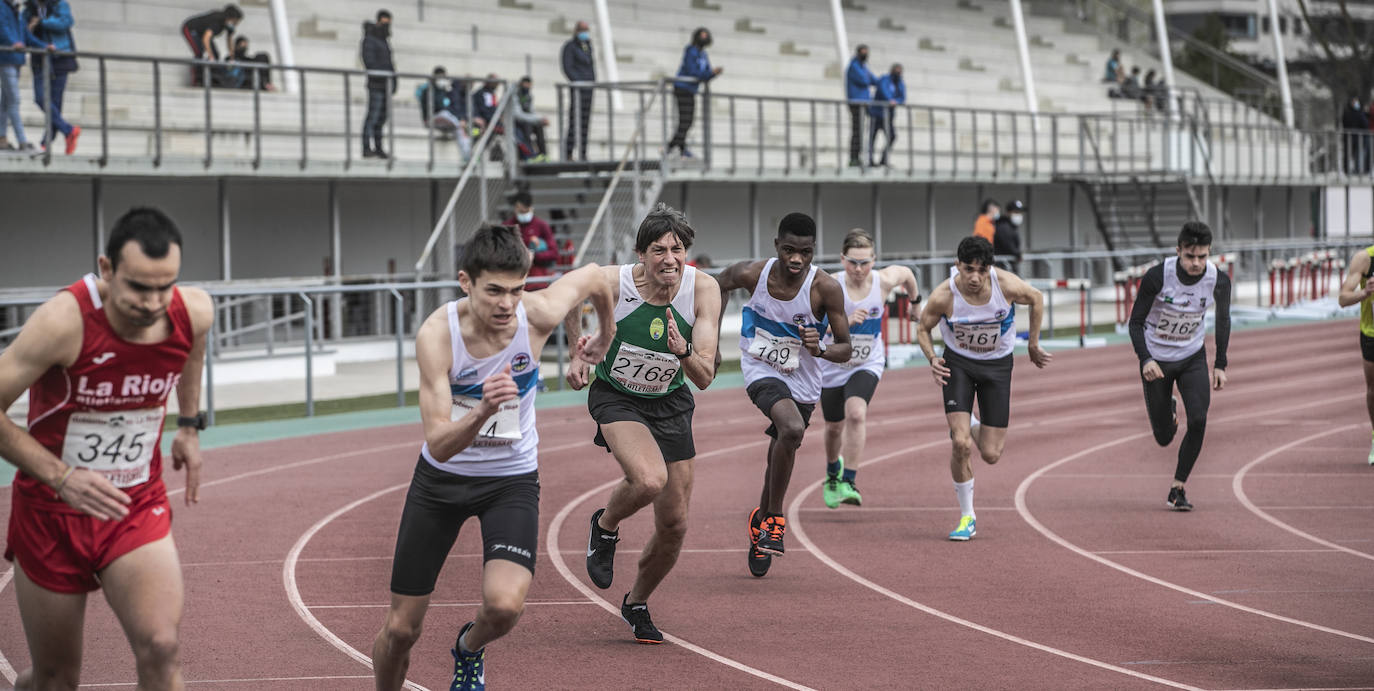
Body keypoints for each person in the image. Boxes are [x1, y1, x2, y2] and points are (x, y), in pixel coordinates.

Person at [370, 223, 616, 691]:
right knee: (401, 630)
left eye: (517, 289)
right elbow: (439, 442)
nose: (507, 304)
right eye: (494, 291)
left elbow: (593, 278)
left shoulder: (536, 313)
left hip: (510, 480)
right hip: (441, 482)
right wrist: (483, 409)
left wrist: (603, 335)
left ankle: (468, 647)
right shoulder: (437, 337)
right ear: (466, 282)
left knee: (504, 608)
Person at [0, 207, 214, 689]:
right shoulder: (64, 321)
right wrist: (61, 477)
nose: (153, 302)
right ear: (106, 269)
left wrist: (188, 425)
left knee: (162, 648)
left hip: (133, 505)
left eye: (165, 286)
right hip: (50, 514)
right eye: (139, 287)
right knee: (55, 680)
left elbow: (194, 347)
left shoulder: (193, 310)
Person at [563, 204, 722, 643]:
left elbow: (705, 377)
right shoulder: (616, 282)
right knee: (649, 480)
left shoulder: (703, 289)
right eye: (659, 250)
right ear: (640, 253)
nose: (670, 259)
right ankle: (605, 526)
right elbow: (571, 293)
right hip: (617, 395)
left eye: (678, 249)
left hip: (670, 402)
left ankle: (636, 603)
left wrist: (682, 351)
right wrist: (578, 353)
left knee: (674, 525)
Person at [714, 212, 852, 577]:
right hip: (760, 366)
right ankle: (775, 519)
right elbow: (715, 286)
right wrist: (708, 343)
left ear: (812, 251)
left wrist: (820, 349)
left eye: (804, 252)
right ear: (776, 246)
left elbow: (846, 349)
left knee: (781, 449)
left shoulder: (826, 289)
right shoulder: (753, 274)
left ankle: (761, 521)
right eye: (789, 250)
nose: (796, 259)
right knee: (791, 429)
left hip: (803, 380)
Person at [915, 236, 1051, 540]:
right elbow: (923, 328)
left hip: (997, 367)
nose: (975, 277)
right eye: (968, 269)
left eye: (981, 270)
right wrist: (933, 357)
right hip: (958, 365)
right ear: (956, 266)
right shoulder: (944, 295)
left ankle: (969, 421)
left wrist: (1033, 343)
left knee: (991, 453)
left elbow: (1037, 298)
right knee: (961, 444)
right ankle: (967, 516)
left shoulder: (1006, 285)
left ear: (990, 268)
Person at [1127, 222, 1231, 510]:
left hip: (1191, 357)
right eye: (1190, 256)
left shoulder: (1218, 280)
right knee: (1163, 438)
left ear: (1209, 253)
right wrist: (1145, 358)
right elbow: (1135, 323)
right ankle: (1168, 411)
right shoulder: (1157, 277)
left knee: (1198, 419)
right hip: (1156, 361)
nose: (1196, 263)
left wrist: (1220, 363)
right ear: (1178, 251)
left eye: (1202, 256)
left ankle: (1178, 487)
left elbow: (1223, 321)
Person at [817, 230, 919, 509]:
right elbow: (812, 329)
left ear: (874, 260)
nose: (859, 269)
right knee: (834, 427)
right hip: (833, 364)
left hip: (867, 361)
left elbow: (908, 275)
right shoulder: (828, 285)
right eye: (853, 262)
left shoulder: (883, 281)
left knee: (857, 414)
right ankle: (831, 473)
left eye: (865, 263)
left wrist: (916, 303)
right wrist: (844, 323)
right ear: (842, 259)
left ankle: (849, 480)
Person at [23, 0, 78, 154]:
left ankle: (46, 143)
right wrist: (30, 27)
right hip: (39, 58)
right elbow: (24, 30)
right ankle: (68, 131)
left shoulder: (59, 4)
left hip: (60, 57)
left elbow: (65, 22)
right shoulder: (29, 9)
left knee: (56, 101)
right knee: (40, 98)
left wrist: (41, 23)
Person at [1337, 243, 1374, 464]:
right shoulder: (1365, 259)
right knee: (1373, 389)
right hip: (1371, 333)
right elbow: (1343, 298)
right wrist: (1365, 292)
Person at [667, 27, 721, 158]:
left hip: (691, 90)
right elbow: (693, 72)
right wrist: (709, 73)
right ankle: (671, 147)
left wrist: (713, 74)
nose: (704, 38)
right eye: (702, 36)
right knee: (685, 120)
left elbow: (705, 75)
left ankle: (678, 147)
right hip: (682, 88)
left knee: (688, 121)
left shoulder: (704, 55)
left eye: (706, 36)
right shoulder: (690, 51)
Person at [0, 0, 40, 153]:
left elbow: (26, 36)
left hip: (16, 60)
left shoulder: (17, 11)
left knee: (5, 101)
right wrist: (13, 43)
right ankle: (22, 141)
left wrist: (45, 46)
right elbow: (2, 29)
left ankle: (2, 138)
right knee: (14, 100)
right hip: (6, 59)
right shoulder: (2, 7)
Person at [360, 9, 394, 159]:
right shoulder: (370, 39)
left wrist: (393, 82)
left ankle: (379, 148)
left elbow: (390, 64)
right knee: (372, 117)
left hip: (386, 86)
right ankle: (367, 148)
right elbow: (370, 62)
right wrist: (385, 75)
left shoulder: (384, 40)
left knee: (381, 118)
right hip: (376, 85)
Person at [181, 4, 241, 87]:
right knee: (199, 53)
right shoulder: (217, 21)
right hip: (190, 28)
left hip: (202, 33)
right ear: (229, 18)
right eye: (235, 22)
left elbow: (229, 40)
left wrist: (232, 56)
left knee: (216, 54)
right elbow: (206, 39)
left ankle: (212, 79)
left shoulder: (229, 25)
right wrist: (210, 55)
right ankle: (196, 80)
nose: (236, 24)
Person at [504, 191, 558, 279]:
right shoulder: (507, 227)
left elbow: (554, 253)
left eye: (526, 211)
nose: (524, 214)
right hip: (513, 278)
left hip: (536, 280)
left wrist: (535, 254)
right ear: (515, 208)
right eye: (521, 212)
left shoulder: (541, 225)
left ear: (531, 208)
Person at [561, 21, 594, 161]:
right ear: (576, 30)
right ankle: (568, 152)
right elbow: (568, 67)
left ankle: (583, 153)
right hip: (578, 90)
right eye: (582, 30)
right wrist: (579, 82)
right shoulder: (570, 47)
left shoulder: (587, 46)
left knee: (585, 122)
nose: (584, 33)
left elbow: (591, 66)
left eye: (586, 30)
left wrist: (592, 82)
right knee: (575, 120)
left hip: (589, 90)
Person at [845, 44, 876, 167]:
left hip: (865, 103)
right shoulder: (854, 66)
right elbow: (864, 80)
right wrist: (869, 78)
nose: (865, 55)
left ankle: (866, 157)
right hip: (857, 103)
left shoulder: (863, 67)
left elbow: (873, 80)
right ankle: (854, 158)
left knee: (864, 131)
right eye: (863, 52)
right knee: (857, 131)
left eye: (866, 52)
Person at [867, 63, 903, 167]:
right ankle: (870, 160)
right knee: (872, 138)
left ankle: (883, 159)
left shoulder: (899, 82)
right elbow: (883, 91)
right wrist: (890, 100)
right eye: (897, 70)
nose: (898, 73)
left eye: (900, 71)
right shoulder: (885, 79)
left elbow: (902, 96)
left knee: (891, 136)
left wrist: (896, 101)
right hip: (876, 114)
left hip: (888, 116)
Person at [513, 76, 549, 161]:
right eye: (526, 84)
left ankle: (543, 155)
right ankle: (529, 155)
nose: (527, 87)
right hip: (516, 122)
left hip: (526, 121)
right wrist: (537, 119)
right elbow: (518, 115)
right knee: (527, 127)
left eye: (529, 85)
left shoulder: (529, 96)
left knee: (539, 126)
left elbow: (532, 112)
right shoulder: (515, 95)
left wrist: (540, 120)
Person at [993, 199, 1025, 274]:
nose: (1019, 215)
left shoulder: (1012, 227)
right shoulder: (1003, 226)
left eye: (1020, 212)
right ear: (1008, 213)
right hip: (1002, 266)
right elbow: (1007, 245)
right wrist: (1018, 254)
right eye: (1016, 212)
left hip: (1008, 266)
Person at [1342, 96, 1370, 175]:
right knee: (1355, 155)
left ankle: (1350, 170)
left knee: (1352, 155)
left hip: (1352, 137)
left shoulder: (1348, 112)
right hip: (1355, 138)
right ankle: (1355, 171)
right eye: (1354, 102)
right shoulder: (1359, 113)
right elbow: (1365, 124)